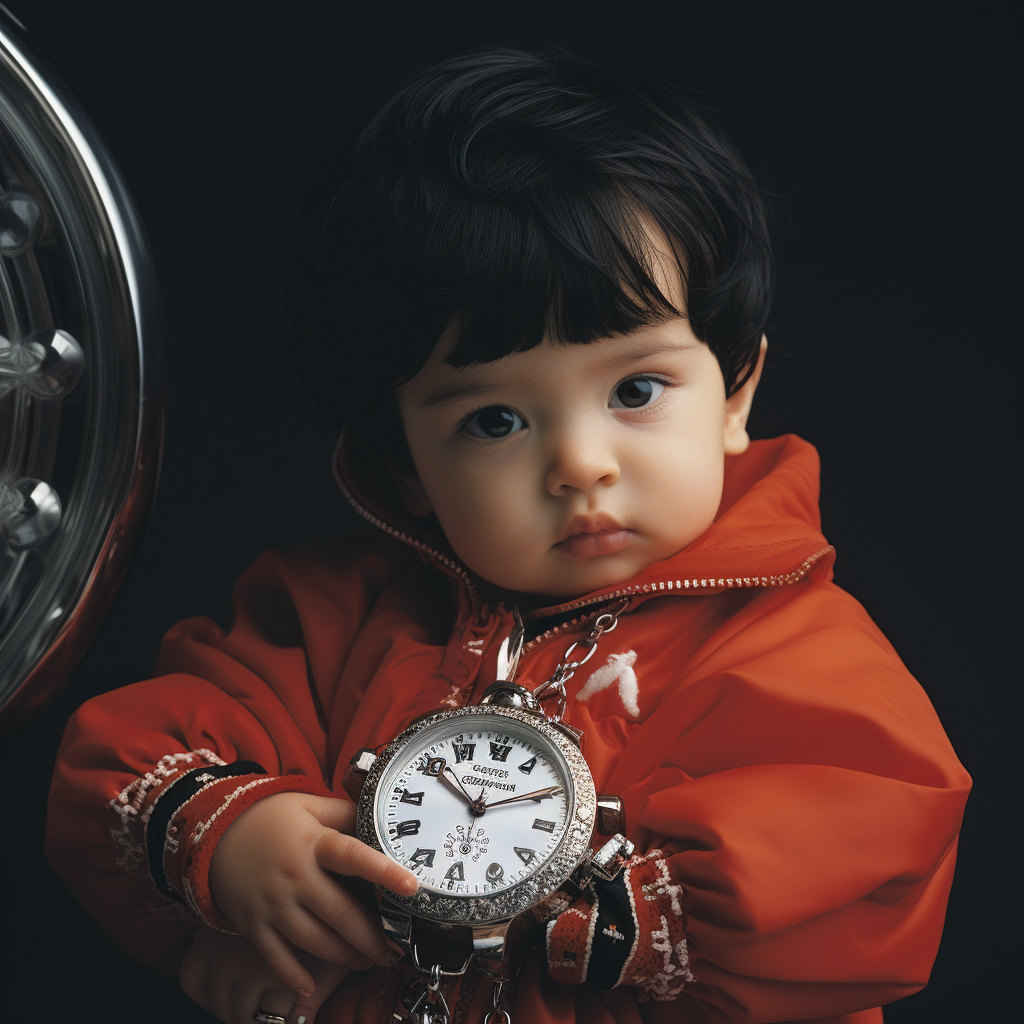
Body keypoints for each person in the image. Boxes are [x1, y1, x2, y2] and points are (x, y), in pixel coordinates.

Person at [45, 45, 970, 1024]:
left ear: (735, 391)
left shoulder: (792, 651)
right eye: (493, 420)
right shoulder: (327, 620)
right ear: (402, 459)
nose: (580, 462)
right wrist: (242, 854)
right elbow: (132, 752)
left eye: (635, 390)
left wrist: (575, 907)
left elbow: (857, 850)